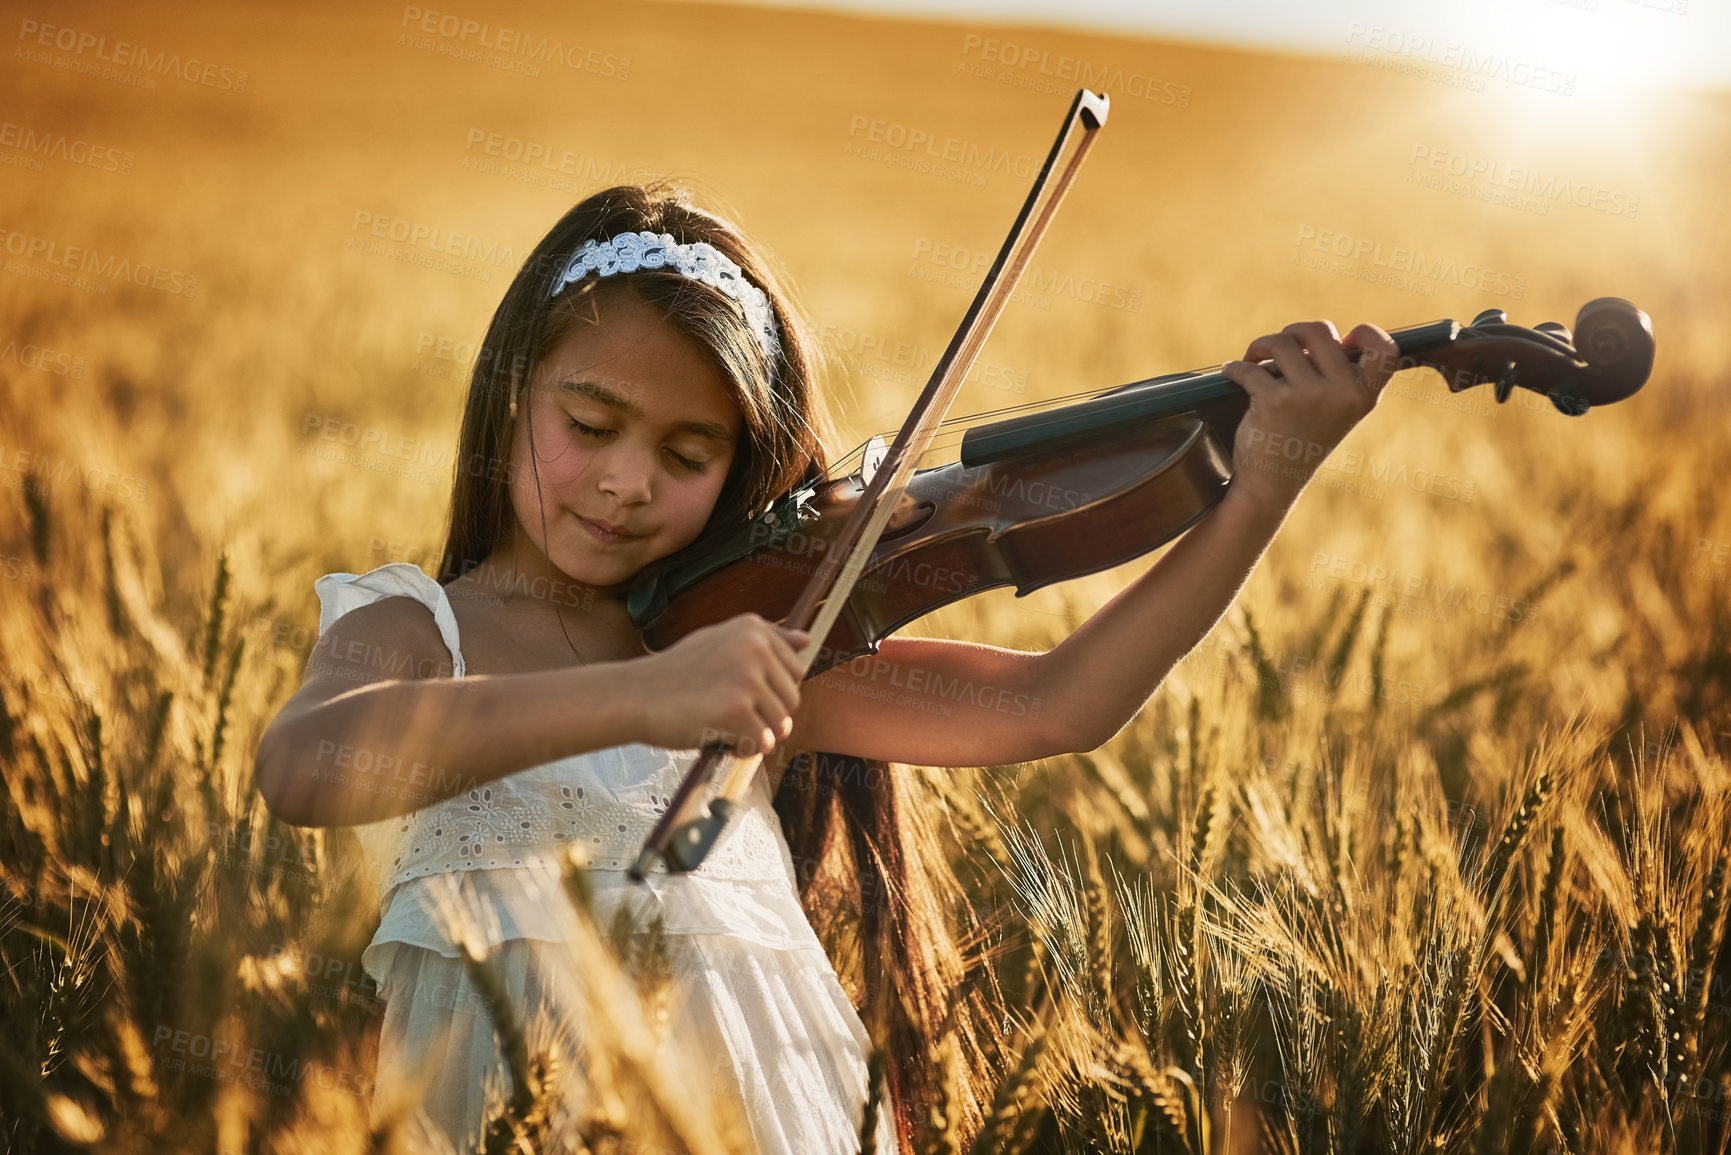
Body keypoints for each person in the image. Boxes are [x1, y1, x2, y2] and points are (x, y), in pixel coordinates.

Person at [253, 182, 1398, 1154]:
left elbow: (1059, 703)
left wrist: (1264, 487)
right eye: (590, 427)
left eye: (688, 454)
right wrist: (647, 695)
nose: (627, 484)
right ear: (511, 391)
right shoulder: (417, 630)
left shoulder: (760, 642)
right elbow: (308, 767)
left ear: (740, 463)